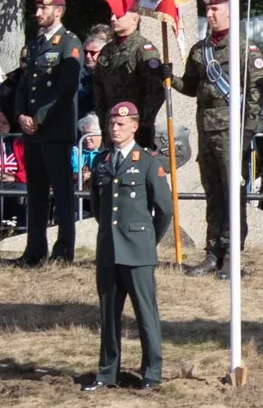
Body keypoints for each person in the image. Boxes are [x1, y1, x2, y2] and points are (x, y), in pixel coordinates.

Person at [168, 0, 263, 278]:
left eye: (215, 9)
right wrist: (170, 79)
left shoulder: (245, 48)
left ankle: (232, 254)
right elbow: (192, 87)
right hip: (207, 131)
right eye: (207, 10)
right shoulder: (200, 50)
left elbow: (256, 96)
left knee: (233, 193)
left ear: (230, 11)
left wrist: (246, 133)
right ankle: (213, 253)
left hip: (232, 133)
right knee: (213, 194)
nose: (210, 15)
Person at [81, 101, 172, 392]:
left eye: (120, 124)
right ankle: (107, 372)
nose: (114, 128)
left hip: (138, 251)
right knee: (109, 316)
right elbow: (96, 204)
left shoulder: (147, 162)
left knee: (146, 315)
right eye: (111, 124)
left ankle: (151, 373)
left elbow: (164, 209)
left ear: (134, 126)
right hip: (109, 249)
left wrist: (148, 241)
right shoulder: (102, 161)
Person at [13, 0, 85, 267]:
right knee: (36, 193)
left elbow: (66, 89)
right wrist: (20, 115)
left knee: (62, 193)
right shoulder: (34, 45)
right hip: (32, 131)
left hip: (54, 130)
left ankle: (64, 249)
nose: (38, 13)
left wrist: (39, 118)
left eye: (44, 8)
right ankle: (34, 250)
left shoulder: (69, 43)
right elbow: (23, 85)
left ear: (59, 11)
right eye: (37, 8)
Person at [91, 0, 166, 151]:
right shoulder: (107, 50)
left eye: (118, 15)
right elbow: (98, 86)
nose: (112, 19)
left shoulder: (143, 49)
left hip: (135, 129)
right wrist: (103, 116)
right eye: (111, 14)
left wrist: (143, 122)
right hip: (111, 126)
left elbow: (156, 91)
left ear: (134, 19)